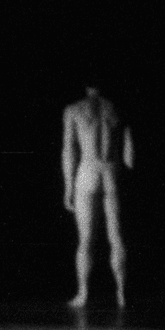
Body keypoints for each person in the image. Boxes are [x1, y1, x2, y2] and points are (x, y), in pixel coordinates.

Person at [62, 85, 134, 308]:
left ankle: (83, 294)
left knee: (85, 239)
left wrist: (68, 187)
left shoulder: (74, 110)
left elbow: (69, 151)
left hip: (87, 172)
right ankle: (122, 294)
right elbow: (130, 150)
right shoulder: (116, 109)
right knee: (117, 236)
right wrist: (127, 179)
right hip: (111, 172)